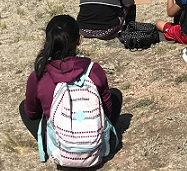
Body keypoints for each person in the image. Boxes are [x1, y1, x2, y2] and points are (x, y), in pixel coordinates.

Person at [21, 15, 122, 160]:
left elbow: (31, 113)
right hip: (93, 141)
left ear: (48, 41)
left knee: (24, 108)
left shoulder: (38, 76)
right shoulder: (94, 70)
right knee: (115, 95)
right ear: (79, 40)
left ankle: (54, 143)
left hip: (61, 141)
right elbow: (107, 110)